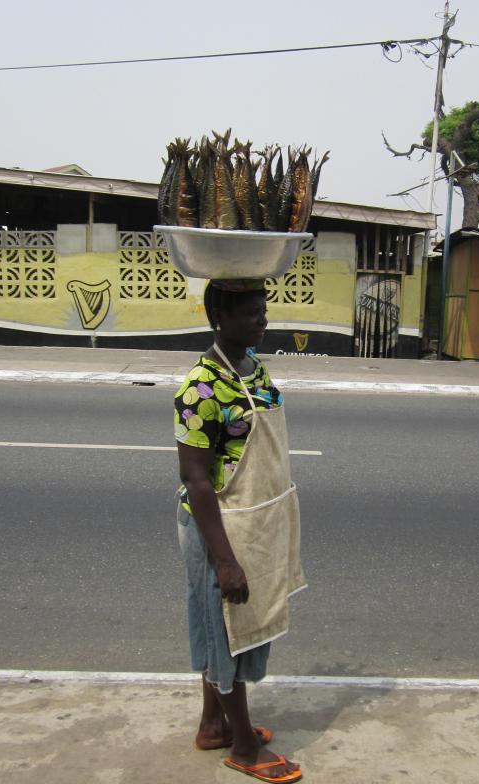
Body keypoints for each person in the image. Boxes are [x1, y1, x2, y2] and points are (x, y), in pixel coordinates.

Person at [174, 278, 305, 783]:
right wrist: (225, 560)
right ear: (218, 318)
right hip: (219, 527)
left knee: (226, 628)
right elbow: (196, 480)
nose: (262, 319)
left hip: (256, 519)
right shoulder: (199, 388)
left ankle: (213, 724)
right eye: (251, 312)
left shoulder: (253, 367)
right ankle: (245, 747)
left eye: (263, 309)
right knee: (228, 634)